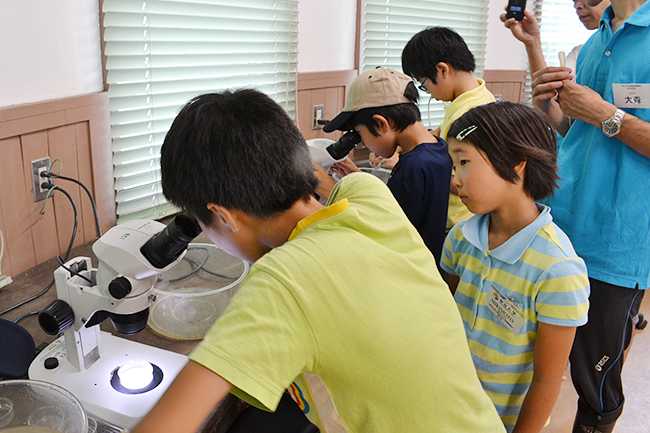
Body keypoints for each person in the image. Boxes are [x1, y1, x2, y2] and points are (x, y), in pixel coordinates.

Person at [129, 89, 506, 433]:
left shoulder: (283, 282)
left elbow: (167, 424)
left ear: (223, 216)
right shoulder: (370, 196)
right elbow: (323, 190)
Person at [524, 0, 650, 430]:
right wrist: (548, 105)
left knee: (595, 385)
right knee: (535, 360)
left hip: (615, 242)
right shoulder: (596, 41)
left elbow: (604, 119)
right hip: (558, 229)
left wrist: (604, 114)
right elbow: (576, 130)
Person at [440, 101, 590, 433]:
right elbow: (446, 319)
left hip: (500, 422)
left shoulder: (558, 269)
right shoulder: (460, 238)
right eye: (453, 164)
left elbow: (547, 380)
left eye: (464, 162)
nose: (456, 179)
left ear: (516, 165)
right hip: (448, 406)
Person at [321, 67, 452, 265]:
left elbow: (382, 229)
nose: (363, 143)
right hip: (427, 264)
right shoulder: (436, 149)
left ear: (381, 124)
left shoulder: (412, 169)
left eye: (360, 135)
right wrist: (357, 175)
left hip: (407, 271)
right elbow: (399, 203)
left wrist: (329, 188)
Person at [401, 26, 497, 233]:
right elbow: (443, 132)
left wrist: (405, 167)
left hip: (460, 224)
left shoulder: (470, 113)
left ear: (442, 70)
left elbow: (471, 184)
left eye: (424, 85)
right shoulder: (477, 96)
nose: (429, 94)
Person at [501, 0, 610, 134]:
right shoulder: (582, 53)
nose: (578, 6)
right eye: (574, 1)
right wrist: (532, 43)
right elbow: (556, 100)